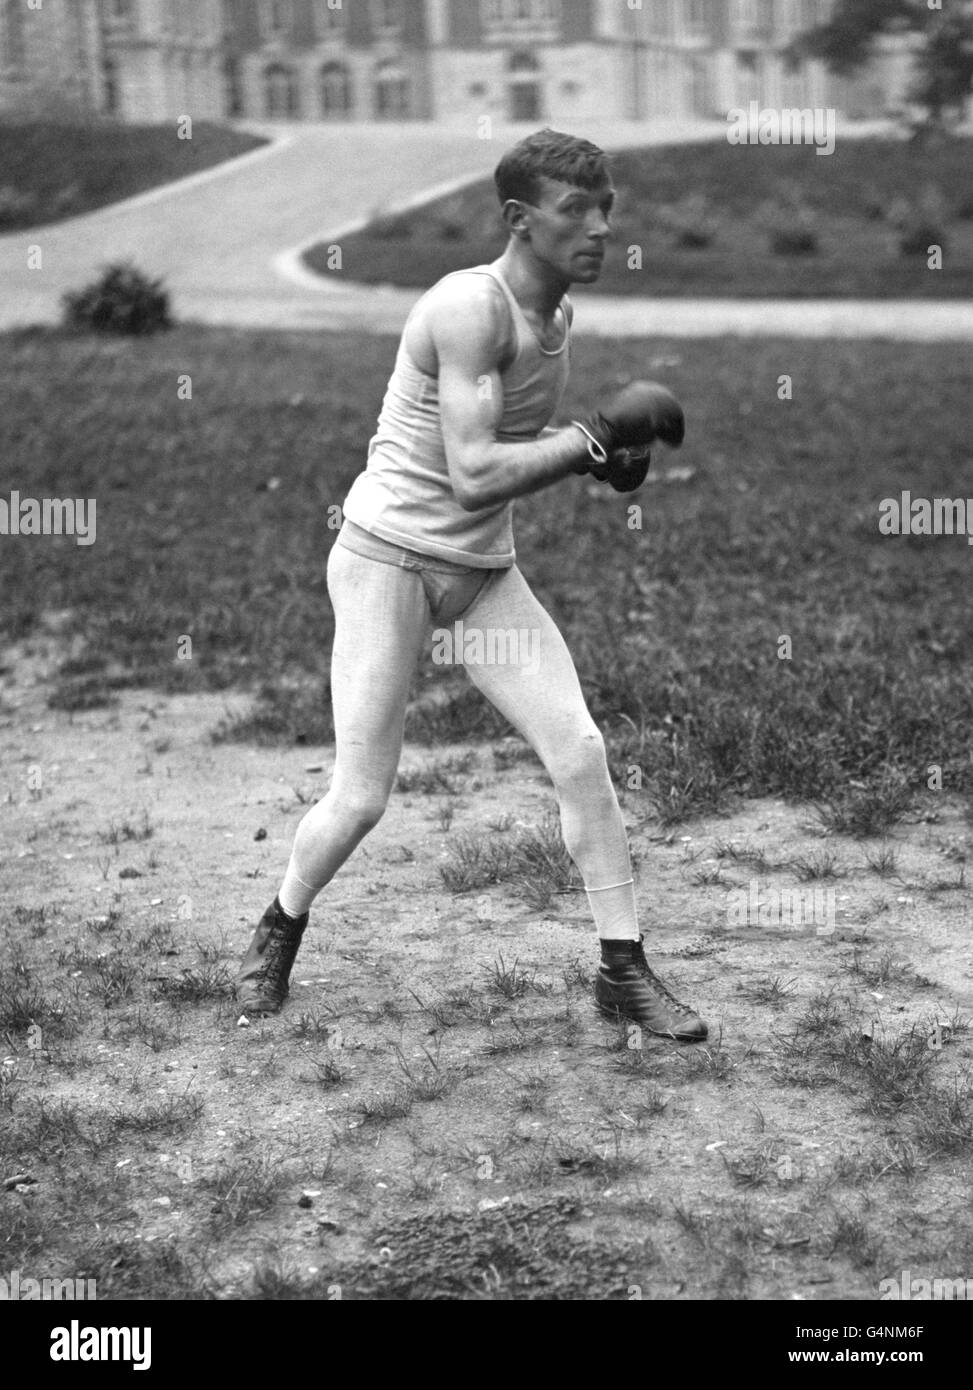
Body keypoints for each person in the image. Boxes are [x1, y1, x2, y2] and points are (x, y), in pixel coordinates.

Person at [234, 128, 708, 1043]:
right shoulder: (468, 308)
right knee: (363, 797)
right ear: (518, 221)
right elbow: (473, 475)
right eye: (576, 211)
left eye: (605, 208)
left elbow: (522, 462)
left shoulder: (558, 316)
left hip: (482, 575)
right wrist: (589, 443)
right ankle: (279, 925)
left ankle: (622, 971)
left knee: (580, 753)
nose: (600, 227)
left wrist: (603, 459)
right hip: (388, 563)